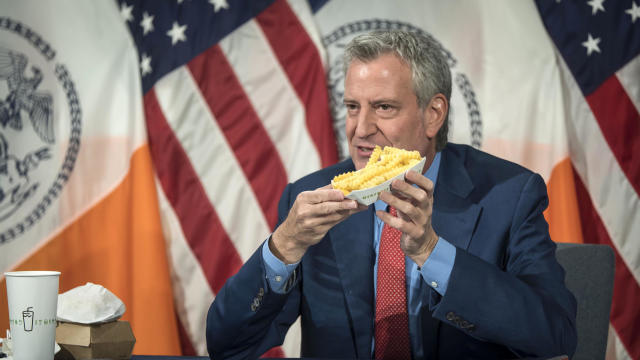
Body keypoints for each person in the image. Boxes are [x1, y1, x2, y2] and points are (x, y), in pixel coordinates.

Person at [206, 30, 577, 359]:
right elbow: (228, 346)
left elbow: (555, 336)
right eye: (353, 107)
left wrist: (433, 252)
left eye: (384, 107)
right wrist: (283, 246)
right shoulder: (309, 198)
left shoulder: (508, 195)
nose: (361, 129)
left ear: (433, 114)